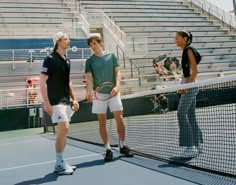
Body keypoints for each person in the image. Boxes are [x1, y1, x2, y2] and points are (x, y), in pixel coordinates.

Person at [85, 36, 133, 162]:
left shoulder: (111, 56)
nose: (93, 46)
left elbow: (117, 72)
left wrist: (117, 87)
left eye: (95, 43)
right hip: (99, 95)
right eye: (90, 45)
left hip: (113, 93)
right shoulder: (89, 61)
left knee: (119, 119)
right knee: (102, 122)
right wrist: (88, 92)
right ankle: (107, 149)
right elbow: (89, 78)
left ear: (100, 43)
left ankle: (122, 146)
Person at [40, 31, 79, 175]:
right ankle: (59, 163)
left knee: (64, 131)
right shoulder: (49, 59)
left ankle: (60, 161)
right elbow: (42, 82)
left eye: (68, 39)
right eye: (66, 39)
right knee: (65, 127)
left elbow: (68, 81)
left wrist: (74, 98)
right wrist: (46, 103)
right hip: (54, 101)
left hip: (66, 101)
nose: (69, 41)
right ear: (58, 41)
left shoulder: (67, 60)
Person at [175, 31, 203, 158]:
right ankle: (197, 145)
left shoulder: (189, 50)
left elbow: (195, 71)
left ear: (185, 39)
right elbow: (186, 73)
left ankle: (190, 146)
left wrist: (187, 86)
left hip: (191, 85)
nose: (175, 40)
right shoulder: (184, 51)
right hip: (188, 83)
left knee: (181, 113)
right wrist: (182, 84)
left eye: (177, 38)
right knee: (191, 115)